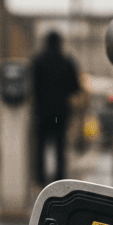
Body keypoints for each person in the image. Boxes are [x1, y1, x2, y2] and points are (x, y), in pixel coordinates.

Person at [31, 30, 80, 185]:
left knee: (40, 148)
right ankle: (59, 179)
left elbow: (32, 86)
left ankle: (40, 179)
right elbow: (75, 88)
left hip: (41, 111)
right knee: (60, 147)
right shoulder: (67, 61)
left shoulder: (37, 61)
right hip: (60, 112)